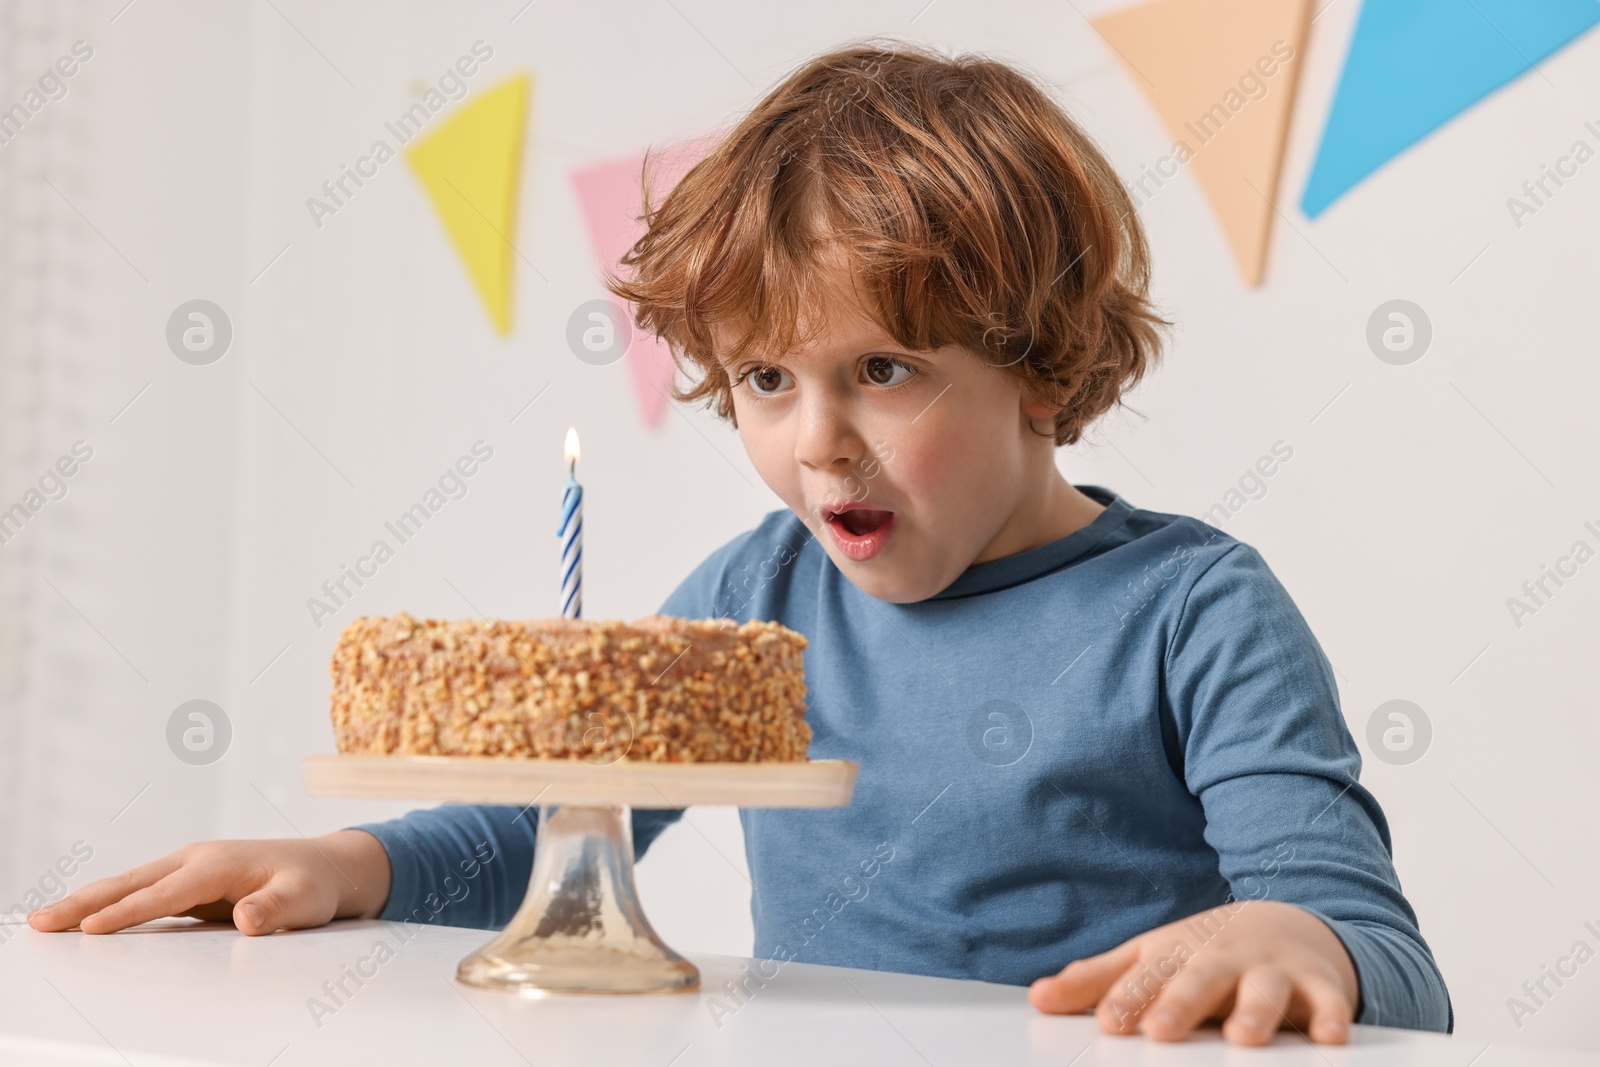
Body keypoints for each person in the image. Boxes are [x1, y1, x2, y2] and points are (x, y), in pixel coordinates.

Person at [29, 41, 1451, 1046]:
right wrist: (344, 863)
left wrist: (1296, 941)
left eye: (884, 370)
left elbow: (1390, 967)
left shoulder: (1194, 611)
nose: (815, 440)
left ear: (1043, 368)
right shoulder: (759, 598)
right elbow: (565, 826)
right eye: (769, 380)